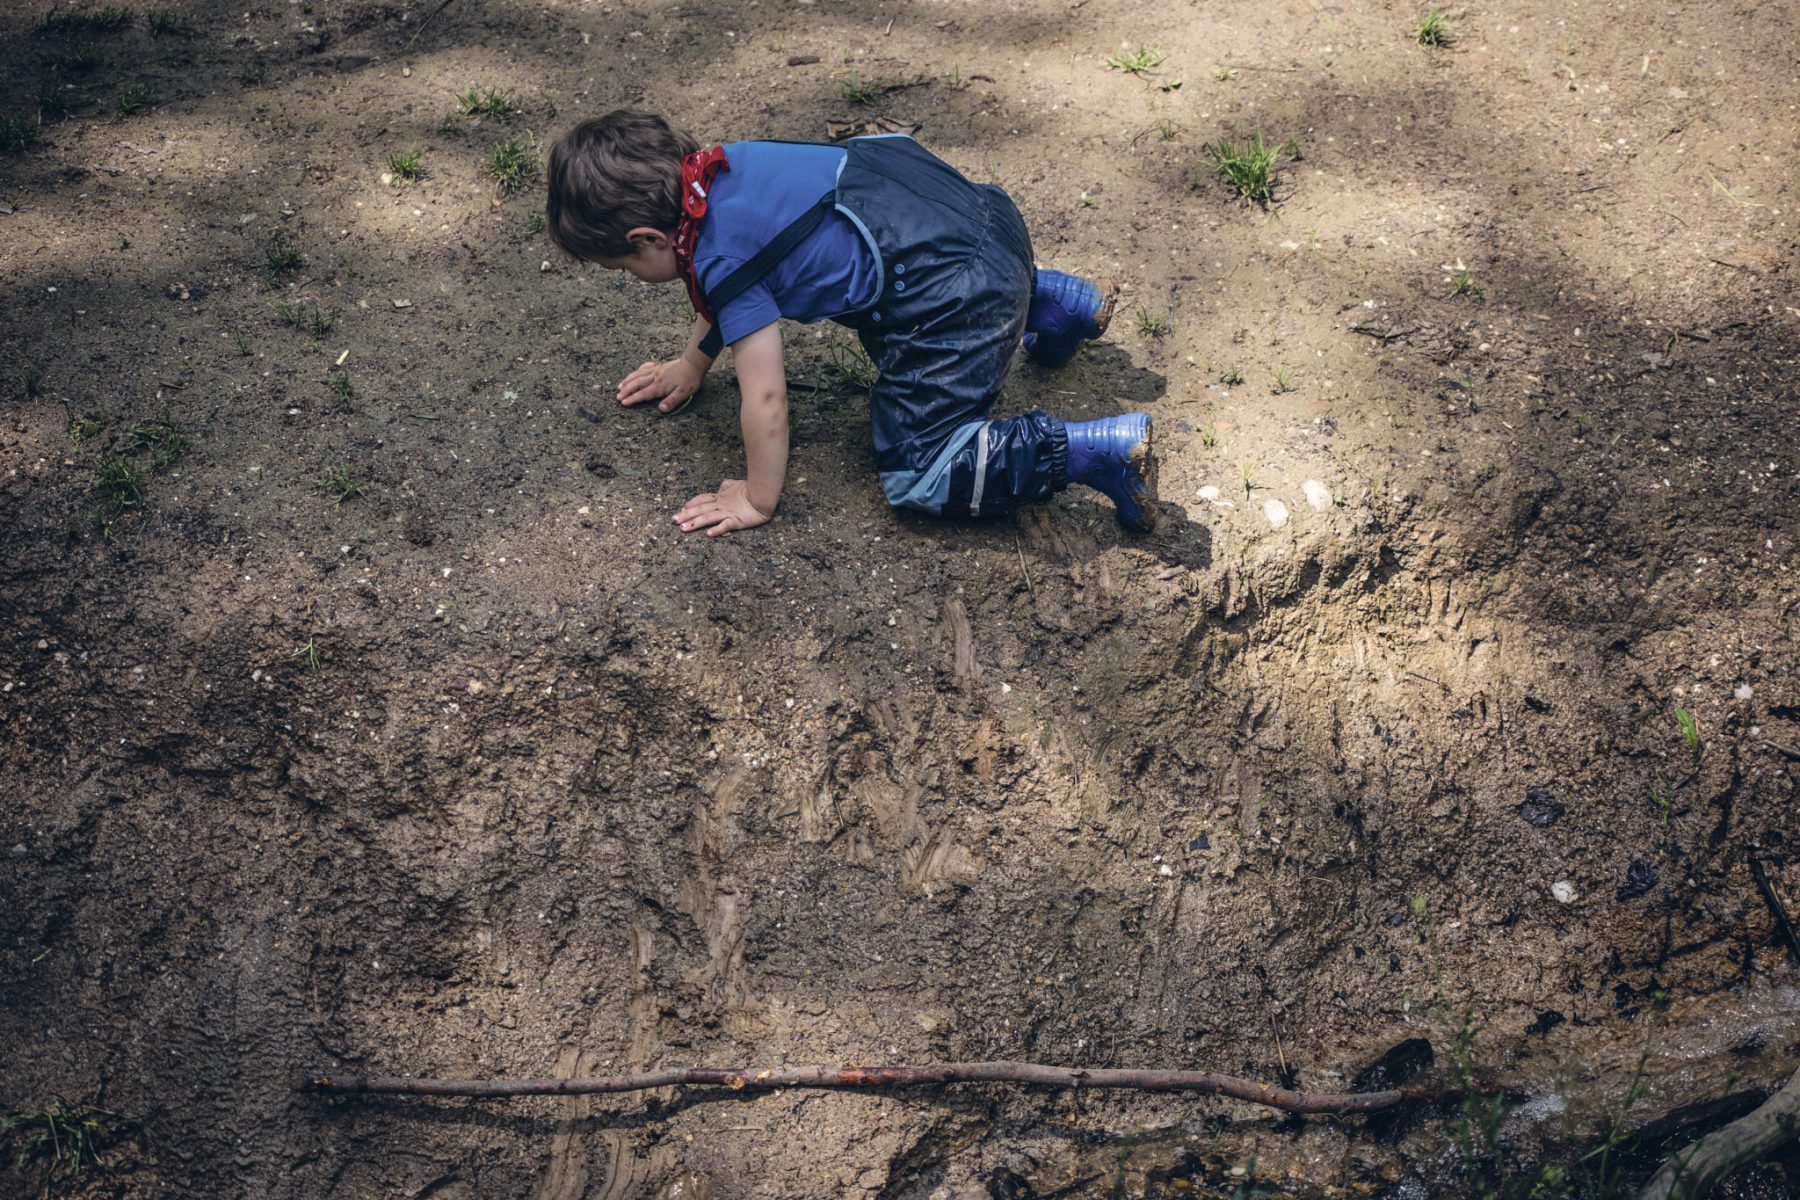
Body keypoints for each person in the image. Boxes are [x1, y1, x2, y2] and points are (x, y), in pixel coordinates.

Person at [545, 109, 1158, 537]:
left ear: (647, 238)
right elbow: (735, 287)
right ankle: (1055, 303)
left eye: (623, 266)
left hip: (960, 293)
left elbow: (765, 395)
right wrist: (691, 362)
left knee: (921, 470)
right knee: (934, 272)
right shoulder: (721, 172)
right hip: (980, 221)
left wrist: (758, 497)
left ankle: (1093, 453)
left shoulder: (718, 255)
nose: (630, 276)